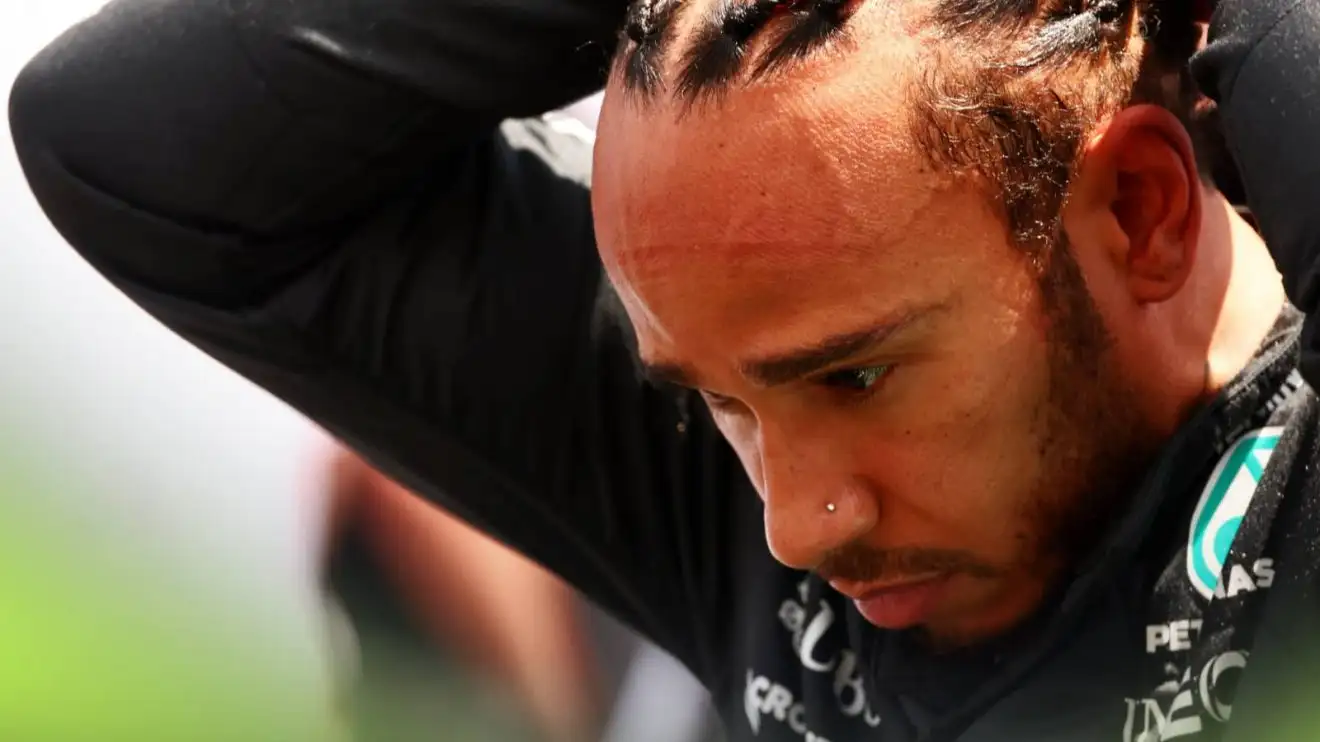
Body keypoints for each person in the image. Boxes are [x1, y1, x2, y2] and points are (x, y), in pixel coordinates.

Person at [9, 0, 1320, 739]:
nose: (795, 525)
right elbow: (127, 151)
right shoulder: (716, 510)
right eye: (716, 402)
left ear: (1143, 209)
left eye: (856, 376)